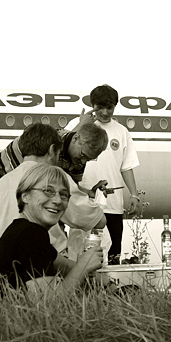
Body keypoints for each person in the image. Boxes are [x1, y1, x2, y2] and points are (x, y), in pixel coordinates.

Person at [0, 123, 108, 255]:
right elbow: (96, 220)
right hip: (39, 262)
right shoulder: (54, 177)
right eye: (58, 154)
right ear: (51, 150)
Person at [0, 164, 104, 296]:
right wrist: (84, 266)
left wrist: (110, 285)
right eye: (48, 191)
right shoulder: (31, 234)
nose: (58, 200)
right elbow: (49, 302)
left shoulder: (22, 230)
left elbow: (66, 267)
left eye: (64, 195)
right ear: (25, 196)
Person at [66, 84, 141, 264]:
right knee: (80, 251)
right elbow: (64, 146)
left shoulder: (121, 131)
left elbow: (126, 166)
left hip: (112, 204)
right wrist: (82, 124)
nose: (105, 112)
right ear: (92, 105)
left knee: (113, 253)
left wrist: (134, 194)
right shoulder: (78, 124)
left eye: (110, 107)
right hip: (83, 199)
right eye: (100, 107)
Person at [0, 111, 105, 203]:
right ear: (76, 139)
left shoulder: (78, 160)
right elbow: (29, 179)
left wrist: (88, 192)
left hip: (25, 181)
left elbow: (69, 188)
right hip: (1, 175)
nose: (83, 161)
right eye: (83, 155)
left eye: (89, 159)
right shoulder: (50, 141)